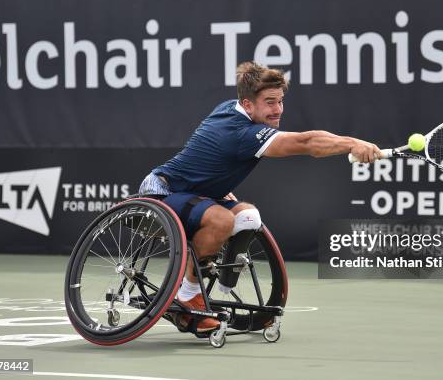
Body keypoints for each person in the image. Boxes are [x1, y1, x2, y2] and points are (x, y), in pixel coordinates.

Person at [139, 61, 381, 332]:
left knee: (248, 216)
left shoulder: (231, 108)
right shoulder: (243, 133)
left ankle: (222, 284)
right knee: (220, 220)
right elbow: (307, 142)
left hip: (197, 194)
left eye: (280, 101)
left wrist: (215, 187)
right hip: (162, 192)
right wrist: (352, 143)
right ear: (248, 104)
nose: (277, 110)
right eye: (269, 102)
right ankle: (186, 298)